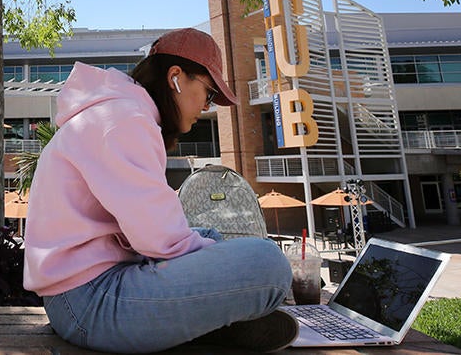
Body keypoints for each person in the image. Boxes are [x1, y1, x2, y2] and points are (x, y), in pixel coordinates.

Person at [23, 28, 297, 353]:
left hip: (84, 290)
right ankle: (218, 319)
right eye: (208, 93)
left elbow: (153, 232)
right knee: (268, 265)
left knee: (209, 233)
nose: (207, 107)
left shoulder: (118, 113)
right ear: (176, 77)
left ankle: (204, 322)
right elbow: (160, 239)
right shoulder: (124, 120)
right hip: (90, 302)